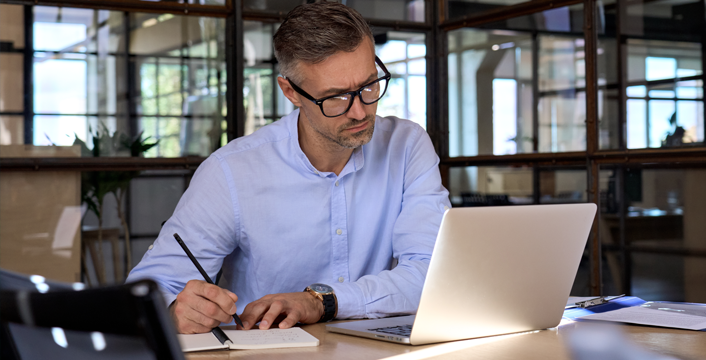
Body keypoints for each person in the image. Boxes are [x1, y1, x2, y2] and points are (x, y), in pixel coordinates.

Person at [126, 1, 450, 334]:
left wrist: (321, 301)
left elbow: (433, 273)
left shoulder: (407, 145)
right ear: (290, 92)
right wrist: (173, 308)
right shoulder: (232, 172)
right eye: (336, 97)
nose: (359, 111)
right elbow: (148, 290)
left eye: (369, 85)